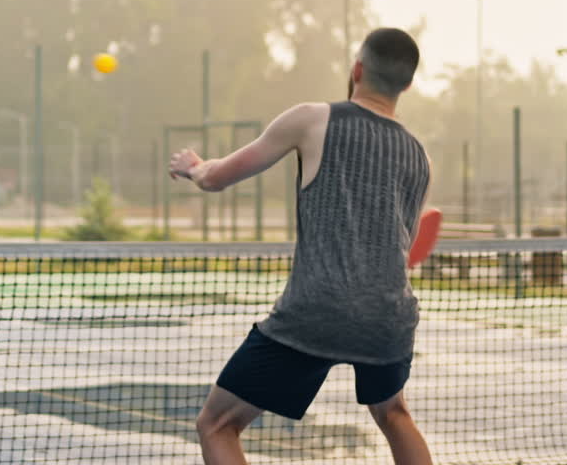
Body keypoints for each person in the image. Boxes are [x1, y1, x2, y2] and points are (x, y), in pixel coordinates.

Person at [169, 28, 434, 465]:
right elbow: (402, 247)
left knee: (216, 425)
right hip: (389, 316)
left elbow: (217, 178)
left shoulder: (312, 118)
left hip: (317, 309)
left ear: (357, 69)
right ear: (407, 84)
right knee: (394, 414)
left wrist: (195, 167)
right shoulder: (419, 155)